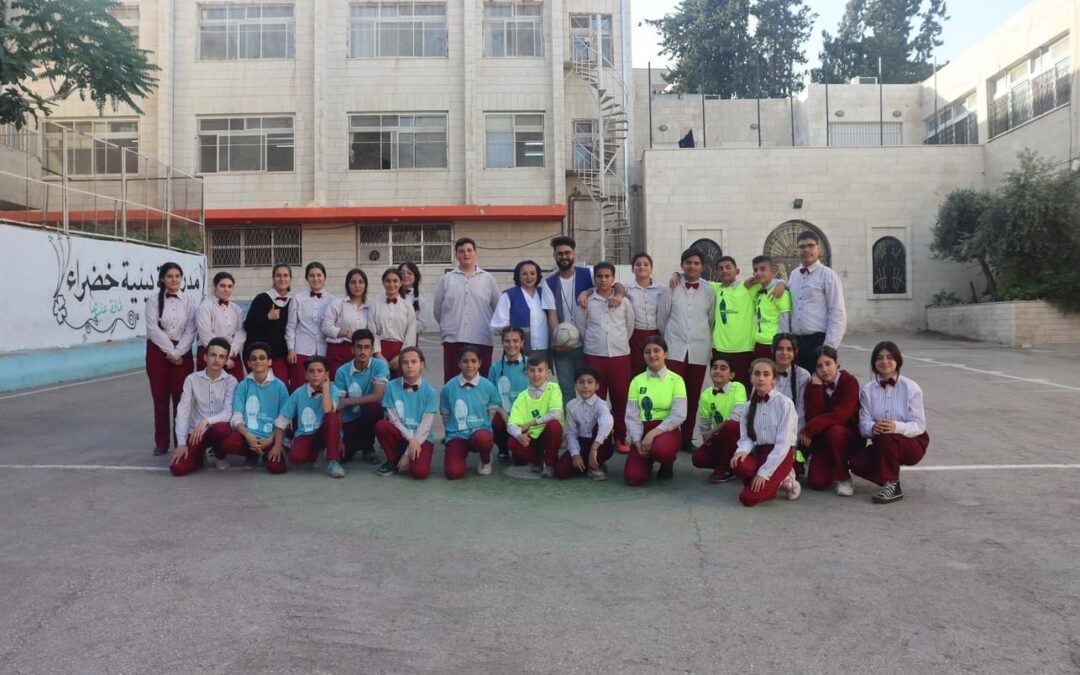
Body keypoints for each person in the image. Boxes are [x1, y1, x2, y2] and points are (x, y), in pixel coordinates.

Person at [852, 341, 929, 504]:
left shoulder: (911, 388)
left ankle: (892, 485)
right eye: (879, 358)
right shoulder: (867, 389)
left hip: (912, 442)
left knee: (888, 435)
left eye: (890, 357)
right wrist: (873, 427)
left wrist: (896, 427)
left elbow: (919, 426)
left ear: (898, 361)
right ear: (874, 362)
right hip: (882, 443)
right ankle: (890, 480)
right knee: (857, 463)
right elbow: (863, 424)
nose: (884, 362)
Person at [657, 248, 716, 452]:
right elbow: (662, 319)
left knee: (692, 396)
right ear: (682, 265)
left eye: (696, 263)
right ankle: (667, 436)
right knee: (672, 395)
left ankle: (686, 437)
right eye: (688, 262)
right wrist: (671, 340)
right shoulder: (672, 288)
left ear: (702, 267)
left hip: (698, 352)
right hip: (674, 350)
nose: (692, 266)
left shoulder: (709, 291)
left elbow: (712, 320)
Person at [575, 261, 634, 454]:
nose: (603, 280)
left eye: (607, 276)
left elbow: (629, 326)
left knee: (620, 399)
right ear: (594, 279)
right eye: (599, 276)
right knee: (594, 399)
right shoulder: (586, 302)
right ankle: (598, 438)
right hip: (594, 356)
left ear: (613, 278)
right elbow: (581, 327)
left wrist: (618, 342)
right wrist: (595, 343)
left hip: (620, 356)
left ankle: (620, 437)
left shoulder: (623, 301)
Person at [730, 358, 801, 506]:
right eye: (757, 374)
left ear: (774, 379)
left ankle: (786, 478)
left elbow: (783, 444)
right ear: (751, 378)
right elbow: (747, 438)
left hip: (781, 454)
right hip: (760, 451)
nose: (761, 378)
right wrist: (742, 451)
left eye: (766, 374)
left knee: (747, 499)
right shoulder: (748, 407)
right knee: (738, 463)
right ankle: (775, 481)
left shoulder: (785, 404)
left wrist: (764, 473)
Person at [145, 261, 197, 455]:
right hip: (158, 351)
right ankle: (162, 441)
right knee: (160, 398)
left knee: (181, 398)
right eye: (170, 276)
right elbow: (153, 330)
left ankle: (181, 440)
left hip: (182, 351)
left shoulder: (189, 301)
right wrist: (170, 351)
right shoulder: (152, 301)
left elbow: (191, 328)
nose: (174, 280)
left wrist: (179, 352)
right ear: (162, 279)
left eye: (177, 276)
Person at [433, 238, 502, 383]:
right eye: (461, 251)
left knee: (481, 382)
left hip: (481, 339)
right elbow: (438, 310)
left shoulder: (488, 279)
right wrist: (448, 326)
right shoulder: (447, 279)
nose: (466, 254)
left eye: (469, 250)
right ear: (456, 255)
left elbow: (498, 307)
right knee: (453, 381)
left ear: (476, 253)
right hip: (453, 339)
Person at [169, 338, 238, 476]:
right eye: (213, 355)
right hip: (196, 433)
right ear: (205, 356)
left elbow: (228, 412)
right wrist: (182, 443)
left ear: (226, 361)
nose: (217, 360)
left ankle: (220, 454)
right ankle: (198, 457)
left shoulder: (231, 381)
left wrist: (206, 421)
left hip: (217, 429)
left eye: (221, 356)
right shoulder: (191, 379)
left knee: (221, 429)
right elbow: (182, 412)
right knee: (178, 468)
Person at [624, 336, 687, 486]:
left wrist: (653, 433)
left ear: (665, 353)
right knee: (633, 478)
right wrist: (637, 441)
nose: (652, 355)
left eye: (657, 351)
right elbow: (632, 416)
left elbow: (679, 414)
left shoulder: (676, 380)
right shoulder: (636, 381)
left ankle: (666, 465)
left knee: (662, 451)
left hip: (666, 430)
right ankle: (647, 460)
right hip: (642, 428)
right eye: (647, 352)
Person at [221, 341, 290, 473]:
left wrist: (272, 439)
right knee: (229, 444)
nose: (258, 361)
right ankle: (251, 453)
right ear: (248, 363)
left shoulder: (280, 386)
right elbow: (237, 414)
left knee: (276, 468)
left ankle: (268, 451)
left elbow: (284, 418)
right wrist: (248, 435)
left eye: (262, 358)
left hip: (270, 436)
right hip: (249, 435)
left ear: (269, 362)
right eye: (254, 358)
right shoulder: (243, 385)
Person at [272, 355, 345, 478]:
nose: (315, 375)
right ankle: (315, 453)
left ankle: (333, 461)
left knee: (331, 417)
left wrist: (326, 388)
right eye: (311, 371)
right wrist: (277, 445)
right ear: (306, 375)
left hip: (325, 431)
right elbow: (282, 420)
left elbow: (328, 409)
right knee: (296, 458)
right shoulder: (299, 393)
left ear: (326, 374)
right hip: (306, 433)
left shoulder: (333, 390)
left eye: (320, 371)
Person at [801, 346, 861, 495]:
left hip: (848, 438)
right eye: (819, 366)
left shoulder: (849, 382)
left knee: (835, 431)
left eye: (828, 363)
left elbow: (841, 415)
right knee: (817, 482)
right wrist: (816, 388)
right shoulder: (813, 385)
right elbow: (813, 415)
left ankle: (844, 478)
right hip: (824, 442)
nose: (825, 369)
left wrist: (811, 427)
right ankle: (831, 465)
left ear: (837, 363)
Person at [374, 347, 439, 480]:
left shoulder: (430, 391)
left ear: (421, 364)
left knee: (419, 473)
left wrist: (407, 454)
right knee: (382, 425)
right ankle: (392, 459)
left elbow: (425, 426)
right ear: (400, 365)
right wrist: (410, 439)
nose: (410, 366)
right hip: (402, 434)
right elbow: (393, 419)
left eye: (414, 362)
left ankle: (404, 457)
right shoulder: (391, 387)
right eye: (405, 362)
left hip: (421, 437)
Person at [786, 230, 846, 373]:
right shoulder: (794, 275)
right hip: (796, 343)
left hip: (818, 342)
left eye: (810, 245)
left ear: (818, 249)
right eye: (801, 246)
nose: (806, 249)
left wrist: (829, 348)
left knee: (818, 385)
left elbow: (837, 313)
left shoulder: (828, 276)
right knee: (799, 385)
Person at [440, 346, 502, 479]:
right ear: (459, 363)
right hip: (457, 435)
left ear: (480, 363)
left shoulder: (488, 386)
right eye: (465, 361)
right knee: (453, 473)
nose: (469, 365)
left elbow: (491, 413)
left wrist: (484, 429)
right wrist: (451, 432)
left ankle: (486, 459)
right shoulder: (449, 387)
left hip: (479, 433)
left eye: (474, 361)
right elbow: (445, 414)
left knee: (483, 438)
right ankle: (456, 452)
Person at [546, 235, 594, 405]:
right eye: (559, 254)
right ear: (554, 256)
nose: (564, 256)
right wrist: (556, 339)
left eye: (567, 252)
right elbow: (552, 314)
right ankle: (571, 430)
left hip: (587, 345)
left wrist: (587, 292)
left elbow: (614, 286)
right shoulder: (549, 283)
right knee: (566, 390)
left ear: (574, 253)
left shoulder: (589, 273)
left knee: (587, 390)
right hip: (563, 348)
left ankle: (588, 429)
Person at [334, 329, 390, 465]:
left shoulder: (380, 365)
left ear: (372, 350)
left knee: (372, 408)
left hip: (369, 416)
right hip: (350, 420)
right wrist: (339, 439)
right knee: (341, 457)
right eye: (359, 347)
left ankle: (368, 447)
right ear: (352, 349)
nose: (363, 351)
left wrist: (347, 401)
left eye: (367, 347)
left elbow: (378, 396)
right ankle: (356, 443)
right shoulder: (342, 372)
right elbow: (339, 407)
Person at [690, 355, 748, 484]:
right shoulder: (706, 395)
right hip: (718, 437)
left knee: (730, 426)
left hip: (738, 436)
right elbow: (705, 424)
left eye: (723, 368)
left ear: (731, 375)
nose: (718, 371)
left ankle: (725, 469)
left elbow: (736, 417)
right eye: (715, 367)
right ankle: (725, 463)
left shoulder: (738, 388)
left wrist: (714, 431)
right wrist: (707, 439)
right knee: (698, 458)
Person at [507, 355, 564, 476]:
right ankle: (536, 461)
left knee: (554, 426)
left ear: (547, 373)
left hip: (548, 435)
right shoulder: (522, 396)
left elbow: (556, 414)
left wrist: (531, 423)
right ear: (526, 373)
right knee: (512, 441)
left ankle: (550, 463)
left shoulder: (554, 388)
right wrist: (519, 435)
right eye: (532, 370)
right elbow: (511, 424)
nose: (536, 374)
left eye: (540, 370)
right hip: (532, 437)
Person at [555, 367, 614, 481]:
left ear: (597, 386)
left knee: (602, 425)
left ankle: (595, 465)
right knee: (561, 472)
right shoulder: (571, 406)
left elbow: (607, 422)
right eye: (581, 382)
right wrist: (575, 454)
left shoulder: (601, 405)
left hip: (599, 443)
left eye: (590, 382)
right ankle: (587, 463)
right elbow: (571, 433)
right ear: (575, 385)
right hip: (582, 442)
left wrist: (594, 448)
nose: (585, 386)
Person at [707, 256, 756, 390]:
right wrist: (677, 274)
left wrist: (780, 282)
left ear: (737, 270)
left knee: (743, 389)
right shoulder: (714, 289)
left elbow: (769, 282)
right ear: (716, 273)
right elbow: (693, 278)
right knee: (721, 388)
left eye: (728, 267)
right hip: (720, 349)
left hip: (744, 349)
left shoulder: (748, 287)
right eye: (721, 268)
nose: (724, 271)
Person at [490, 259, 555, 362]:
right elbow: (497, 325)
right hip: (517, 351)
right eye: (524, 274)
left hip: (542, 349)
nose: (529, 277)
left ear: (538, 275)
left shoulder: (545, 293)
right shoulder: (509, 295)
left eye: (532, 273)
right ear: (518, 276)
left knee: (539, 377)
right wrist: (513, 338)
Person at [287, 262, 336, 391]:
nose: (315, 279)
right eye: (311, 275)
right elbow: (291, 326)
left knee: (322, 388)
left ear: (324, 277)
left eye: (319, 275)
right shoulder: (297, 298)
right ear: (307, 278)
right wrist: (291, 349)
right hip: (302, 349)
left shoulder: (333, 300)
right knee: (299, 386)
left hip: (323, 349)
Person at [322, 267, 377, 378]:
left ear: (365, 285)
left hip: (361, 353)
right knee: (338, 388)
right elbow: (325, 327)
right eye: (353, 282)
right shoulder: (338, 303)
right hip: (338, 352)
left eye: (360, 282)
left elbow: (374, 332)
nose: (357, 286)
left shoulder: (371, 307)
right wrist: (346, 333)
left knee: (358, 387)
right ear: (347, 285)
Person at [244, 263, 293, 386]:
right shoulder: (262, 298)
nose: (282, 279)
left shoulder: (293, 302)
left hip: (280, 356)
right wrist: (267, 317)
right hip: (258, 356)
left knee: (281, 388)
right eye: (278, 275)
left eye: (285, 275)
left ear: (290, 279)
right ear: (273, 279)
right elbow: (248, 325)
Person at [771, 333, 811, 472]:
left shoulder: (803, 375)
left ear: (796, 352)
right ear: (773, 350)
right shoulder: (764, 371)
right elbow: (754, 406)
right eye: (780, 348)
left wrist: (792, 443)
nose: (785, 353)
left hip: (790, 433)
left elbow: (800, 412)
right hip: (768, 431)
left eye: (789, 349)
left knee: (793, 468)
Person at [489, 327, 530, 461]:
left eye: (515, 341)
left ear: (522, 342)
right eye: (507, 341)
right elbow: (490, 397)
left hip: (525, 416)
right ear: (502, 342)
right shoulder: (495, 367)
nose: (511, 345)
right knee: (497, 422)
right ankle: (503, 448)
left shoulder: (531, 365)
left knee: (521, 460)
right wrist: (503, 413)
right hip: (504, 414)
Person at [196, 271, 246, 381]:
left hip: (233, 355)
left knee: (237, 389)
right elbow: (205, 334)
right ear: (214, 286)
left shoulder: (236, 308)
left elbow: (241, 333)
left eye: (229, 286)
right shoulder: (205, 307)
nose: (226, 289)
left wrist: (230, 353)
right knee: (210, 392)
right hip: (210, 354)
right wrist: (222, 356)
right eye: (222, 286)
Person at [373, 267, 417, 378]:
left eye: (395, 281)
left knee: (400, 386)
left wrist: (401, 356)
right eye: (388, 281)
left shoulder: (407, 307)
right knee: (380, 385)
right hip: (380, 351)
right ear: (383, 283)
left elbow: (411, 333)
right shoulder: (375, 305)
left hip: (401, 351)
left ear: (401, 283)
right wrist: (378, 354)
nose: (391, 284)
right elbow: (372, 331)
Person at [626, 252, 666, 375]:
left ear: (651, 268)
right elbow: (609, 288)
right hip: (636, 336)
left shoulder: (663, 289)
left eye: (646, 264)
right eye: (638, 264)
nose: (642, 267)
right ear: (633, 269)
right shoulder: (626, 289)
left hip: (657, 334)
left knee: (657, 370)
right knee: (637, 372)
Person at [750, 256, 791, 360]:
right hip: (758, 342)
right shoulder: (757, 290)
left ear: (772, 271)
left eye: (763, 269)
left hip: (773, 344)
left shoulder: (780, 293)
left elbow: (785, 323)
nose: (758, 273)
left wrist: (781, 346)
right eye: (755, 270)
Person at [398, 261, 429, 336]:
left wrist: (404, 327)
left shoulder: (421, 301)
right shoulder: (390, 297)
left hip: (411, 340)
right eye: (402, 273)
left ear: (415, 277)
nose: (405, 275)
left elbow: (422, 325)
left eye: (409, 273)